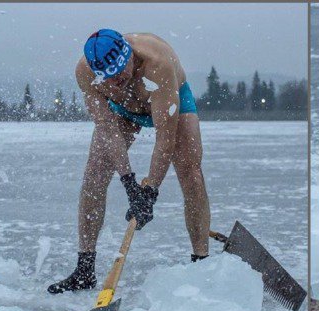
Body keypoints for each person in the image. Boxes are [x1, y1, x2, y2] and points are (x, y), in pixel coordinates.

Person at [48, 29, 210, 294]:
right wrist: (129, 183)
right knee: (94, 177)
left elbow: (164, 139)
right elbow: (108, 131)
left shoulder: (158, 64)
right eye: (108, 77)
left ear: (130, 55)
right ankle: (85, 269)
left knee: (190, 172)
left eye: (121, 70)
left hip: (168, 100)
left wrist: (149, 192)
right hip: (122, 110)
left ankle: (201, 261)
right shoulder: (86, 74)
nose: (117, 79)